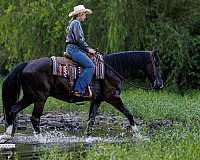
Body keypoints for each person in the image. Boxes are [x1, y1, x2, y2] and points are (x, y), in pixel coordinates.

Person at [65, 5, 96, 97]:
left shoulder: (73, 23)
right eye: (84, 14)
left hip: (74, 48)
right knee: (91, 66)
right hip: (74, 49)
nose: (85, 16)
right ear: (80, 14)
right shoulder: (76, 23)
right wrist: (88, 49)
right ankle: (78, 89)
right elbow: (79, 39)